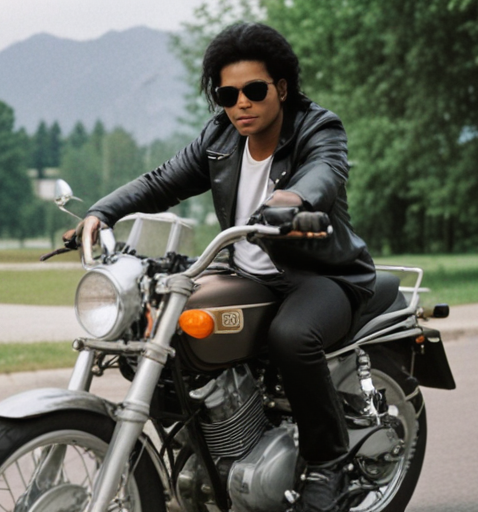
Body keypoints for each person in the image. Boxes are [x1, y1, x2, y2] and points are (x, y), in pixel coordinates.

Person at [77, 22, 376, 512]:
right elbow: (162, 181)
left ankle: (329, 465)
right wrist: (101, 212)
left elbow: (325, 172)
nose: (241, 104)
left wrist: (291, 201)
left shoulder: (317, 127)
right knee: (159, 325)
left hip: (324, 277)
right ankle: (203, 448)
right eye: (227, 94)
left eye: (254, 90)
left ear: (282, 88)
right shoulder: (219, 137)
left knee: (291, 337)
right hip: (245, 274)